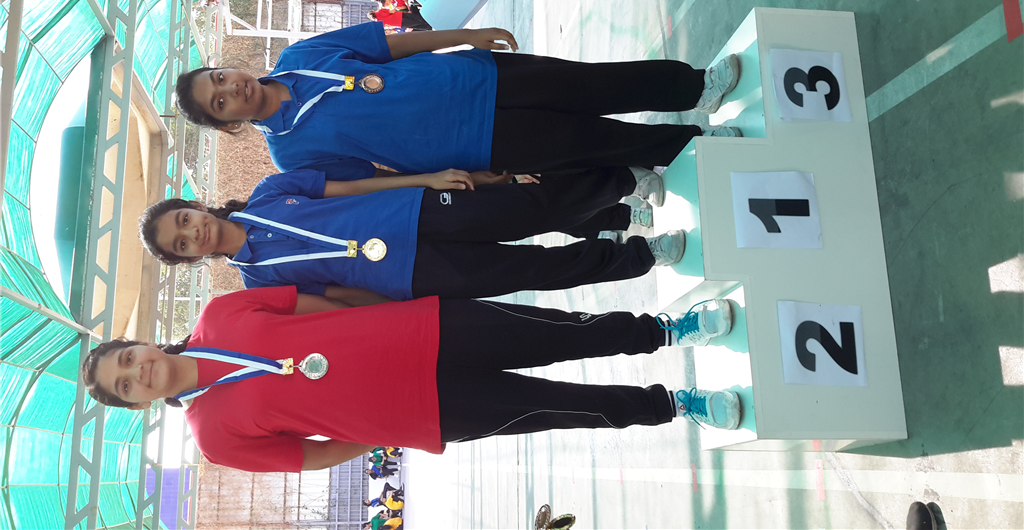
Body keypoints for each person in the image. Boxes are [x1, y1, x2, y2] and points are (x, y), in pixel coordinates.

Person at [81, 286, 740, 474]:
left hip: (426, 330)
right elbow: (310, 457)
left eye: (127, 359)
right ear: (137, 404)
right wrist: (379, 431)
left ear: (139, 343)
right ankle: (676, 404)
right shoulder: (213, 439)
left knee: (561, 332)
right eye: (126, 385)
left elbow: (316, 305)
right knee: (557, 406)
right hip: (429, 409)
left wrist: (391, 317)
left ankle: (666, 330)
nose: (138, 371)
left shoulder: (221, 313)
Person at [172, 24, 742, 183]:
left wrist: (464, 36)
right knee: (592, 143)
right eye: (219, 102)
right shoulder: (291, 155)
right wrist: (449, 178)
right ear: (227, 122)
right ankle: (694, 146)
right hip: (474, 143)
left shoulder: (301, 56)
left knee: (593, 85)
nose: (232, 89)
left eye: (221, 78)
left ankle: (695, 87)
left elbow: (389, 46)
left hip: (477, 78)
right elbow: (374, 178)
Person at [137, 166, 682, 302]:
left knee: (531, 208)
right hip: (415, 275)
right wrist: (404, 308)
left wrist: (427, 179)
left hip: (416, 213)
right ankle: (642, 255)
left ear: (193, 206)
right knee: (535, 271)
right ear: (189, 259)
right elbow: (339, 296)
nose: (193, 233)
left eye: (183, 220)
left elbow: (355, 186)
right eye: (181, 245)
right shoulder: (259, 283)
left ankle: (624, 182)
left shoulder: (270, 192)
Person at [367, 7, 432, 32]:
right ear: (373, 11)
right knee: (415, 17)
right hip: (400, 15)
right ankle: (430, 19)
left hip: (399, 23)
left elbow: (389, 27)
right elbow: (392, 11)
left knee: (416, 25)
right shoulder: (380, 11)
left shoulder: (379, 23)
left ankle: (429, 27)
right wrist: (395, 7)